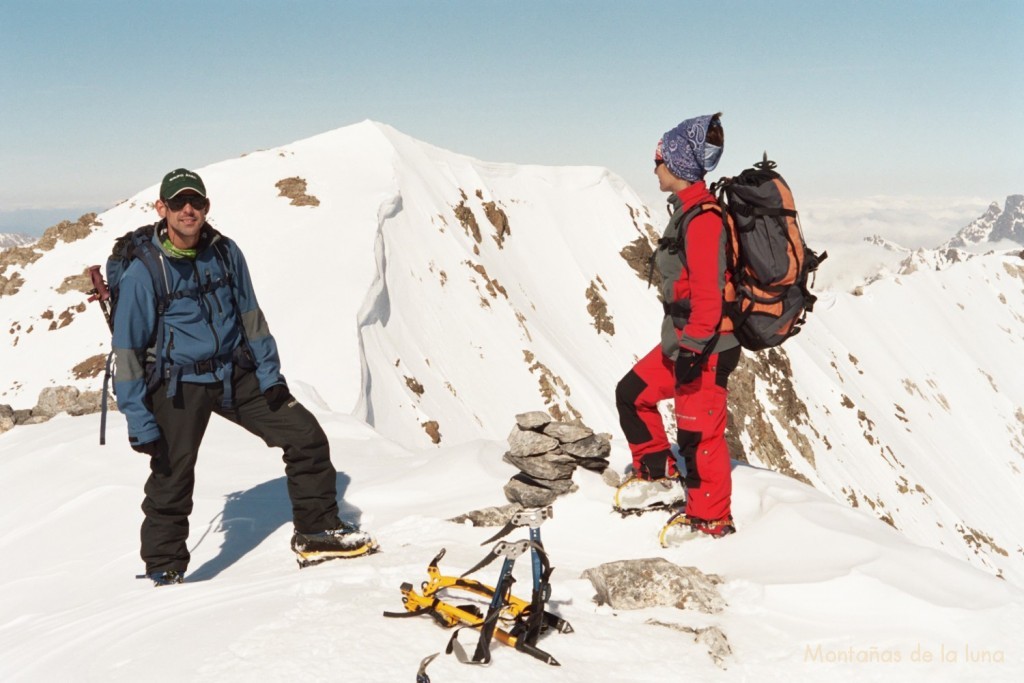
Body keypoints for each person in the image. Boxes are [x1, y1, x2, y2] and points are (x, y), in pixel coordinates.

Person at [113, 168, 376, 586]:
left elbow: (252, 317)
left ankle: (316, 532)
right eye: (178, 202)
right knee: (172, 473)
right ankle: (164, 569)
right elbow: (126, 352)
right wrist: (139, 419)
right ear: (161, 208)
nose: (188, 209)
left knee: (305, 436)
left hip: (235, 373)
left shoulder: (225, 252)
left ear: (206, 207)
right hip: (180, 384)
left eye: (195, 202)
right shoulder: (144, 273)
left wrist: (270, 374)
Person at [614, 114, 741, 539]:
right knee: (632, 394)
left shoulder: (703, 220)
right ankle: (657, 476)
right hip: (684, 342)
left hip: (705, 345)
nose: (654, 169)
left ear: (679, 165)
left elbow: (707, 293)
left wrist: (693, 348)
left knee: (699, 436)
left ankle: (711, 521)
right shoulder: (685, 212)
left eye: (659, 160)